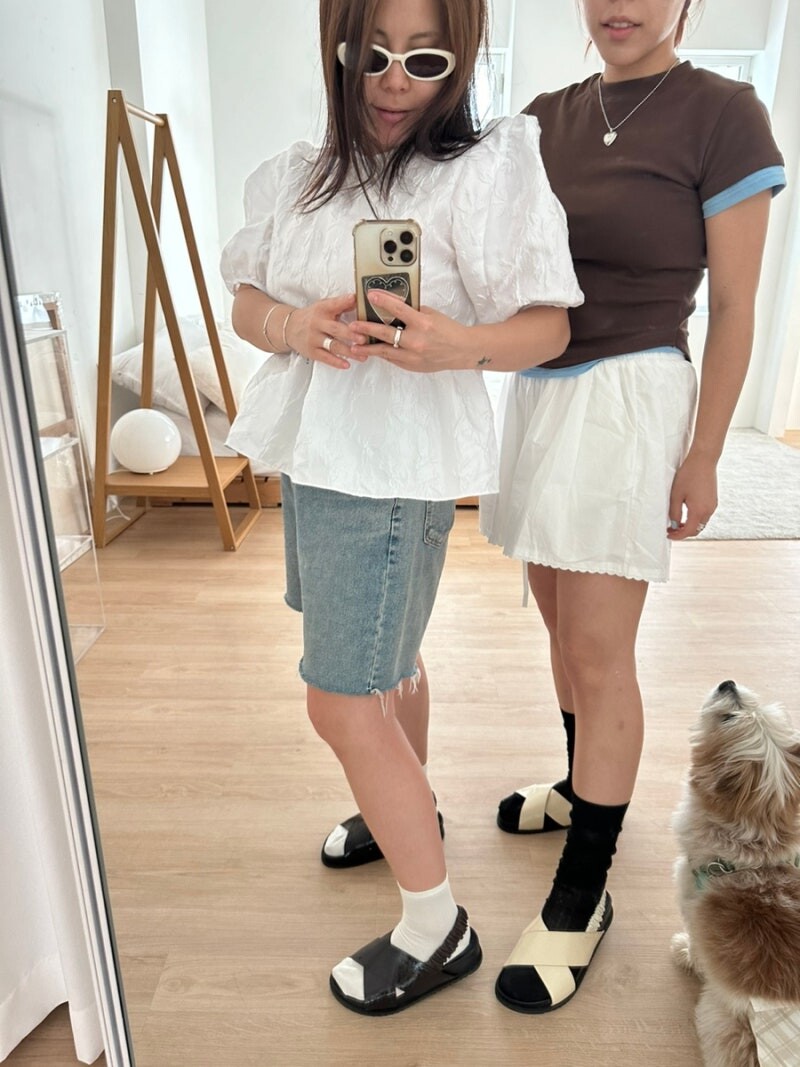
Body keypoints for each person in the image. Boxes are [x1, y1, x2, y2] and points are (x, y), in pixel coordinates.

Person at [342, 0, 786, 1016]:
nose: (619, 5)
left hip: (630, 390)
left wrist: (705, 451)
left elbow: (734, 305)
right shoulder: (545, 115)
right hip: (538, 388)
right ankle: (581, 780)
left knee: (598, 646)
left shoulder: (724, 112)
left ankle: (583, 893)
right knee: (556, 622)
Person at [220, 0, 582, 1015]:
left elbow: (550, 324)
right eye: (369, 54)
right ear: (337, 49)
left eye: (423, 61)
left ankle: (436, 926)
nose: (390, 81)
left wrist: (457, 346)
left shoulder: (484, 169)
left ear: (459, 59)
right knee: (391, 662)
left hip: (391, 464)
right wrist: (296, 325)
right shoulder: (301, 173)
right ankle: (405, 809)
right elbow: (245, 298)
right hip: (318, 455)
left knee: (340, 696)